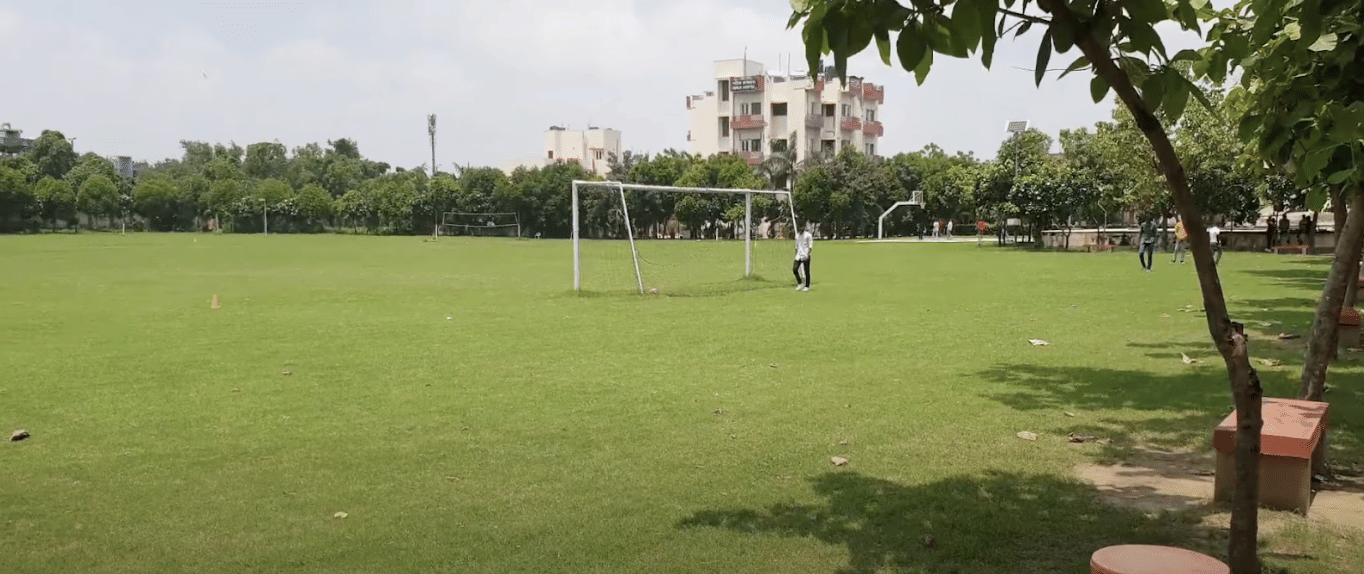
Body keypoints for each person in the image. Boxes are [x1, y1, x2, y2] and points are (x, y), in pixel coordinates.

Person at [793, 224, 813, 291]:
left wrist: (808, 254)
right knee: (795, 269)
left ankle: (807, 286)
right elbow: (796, 245)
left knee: (806, 271)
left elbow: (810, 246)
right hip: (799, 255)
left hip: (805, 254)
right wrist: (795, 254)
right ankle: (800, 283)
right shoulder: (797, 236)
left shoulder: (808, 235)